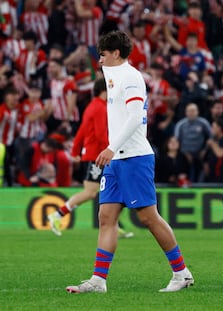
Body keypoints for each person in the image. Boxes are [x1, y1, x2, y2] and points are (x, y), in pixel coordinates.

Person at [66, 30, 193, 293]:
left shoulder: (131, 77)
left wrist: (111, 148)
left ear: (116, 53)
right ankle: (99, 280)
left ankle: (182, 273)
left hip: (134, 157)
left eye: (102, 54)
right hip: (117, 160)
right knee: (106, 216)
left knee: (148, 217)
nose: (99, 59)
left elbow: (136, 117)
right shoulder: (113, 77)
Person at [47, 78, 133, 238]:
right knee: (90, 192)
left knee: (111, 189)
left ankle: (114, 225)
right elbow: (101, 135)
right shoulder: (100, 107)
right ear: (105, 90)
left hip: (96, 154)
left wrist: (75, 151)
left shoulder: (91, 106)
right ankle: (57, 215)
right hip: (98, 156)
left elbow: (81, 131)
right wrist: (113, 149)